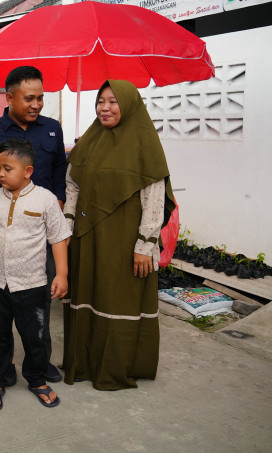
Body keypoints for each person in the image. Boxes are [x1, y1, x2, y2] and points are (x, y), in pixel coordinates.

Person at [62, 80, 176, 391]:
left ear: (128, 105)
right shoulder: (89, 141)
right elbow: (72, 184)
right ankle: (84, 362)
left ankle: (116, 366)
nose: (105, 107)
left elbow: (154, 197)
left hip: (126, 237)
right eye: (100, 101)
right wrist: (68, 226)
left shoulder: (144, 144)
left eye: (113, 101)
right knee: (88, 293)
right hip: (87, 234)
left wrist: (145, 245)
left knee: (118, 297)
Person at [0, 65, 67, 384]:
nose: (36, 104)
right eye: (29, 98)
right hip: (1, 232)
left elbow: (61, 175)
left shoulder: (52, 130)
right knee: (0, 306)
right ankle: (1, 366)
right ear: (9, 97)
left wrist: (59, 204)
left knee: (39, 299)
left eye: (41, 98)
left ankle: (40, 360)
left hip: (40, 232)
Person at [0, 139, 70, 410]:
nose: (1, 173)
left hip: (32, 283)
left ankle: (37, 379)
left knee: (35, 334)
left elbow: (59, 238)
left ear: (27, 171)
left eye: (8, 168)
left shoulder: (46, 200)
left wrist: (61, 274)